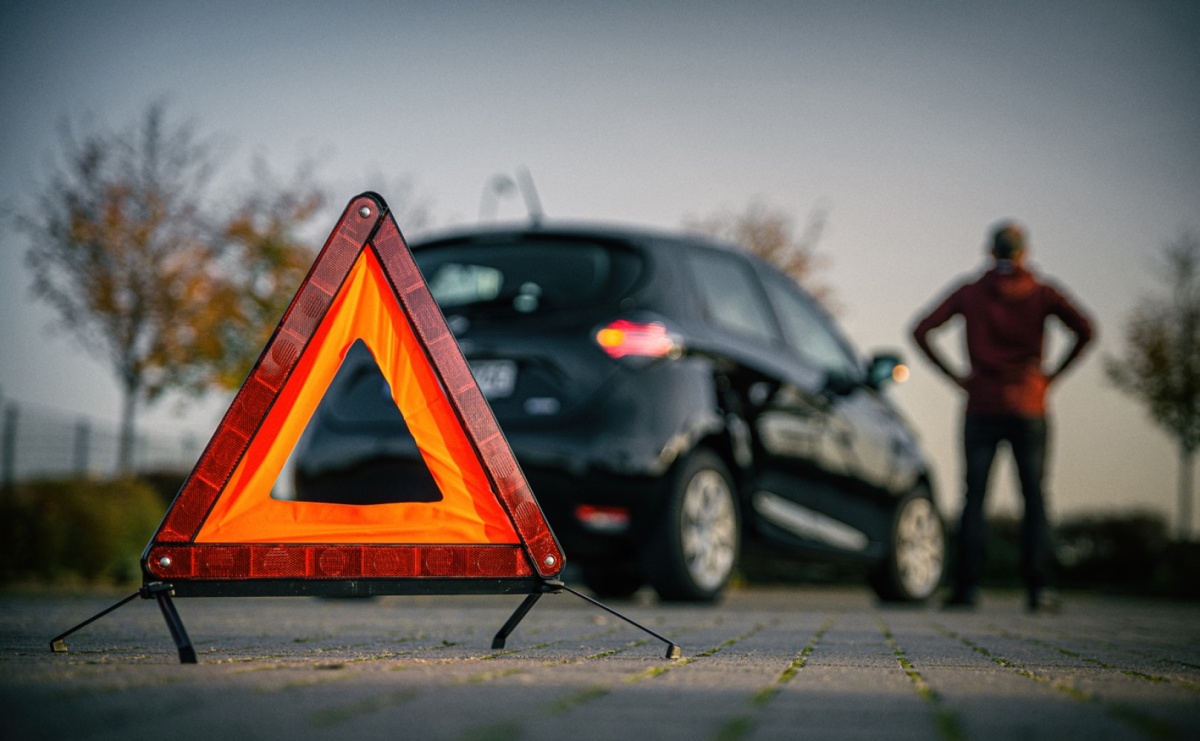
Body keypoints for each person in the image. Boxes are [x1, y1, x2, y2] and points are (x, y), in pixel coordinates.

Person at [910, 221, 1094, 612]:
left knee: (973, 497)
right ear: (1024, 253)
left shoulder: (971, 292)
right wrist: (1052, 377)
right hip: (1030, 404)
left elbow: (921, 330)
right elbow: (1086, 329)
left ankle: (966, 589)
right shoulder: (1043, 292)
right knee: (1035, 497)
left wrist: (956, 378)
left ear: (990, 252)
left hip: (981, 404)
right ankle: (1040, 589)